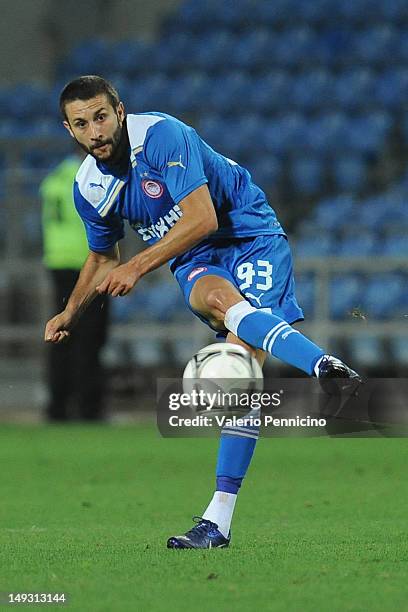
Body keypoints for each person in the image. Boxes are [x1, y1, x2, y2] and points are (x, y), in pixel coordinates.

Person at [44, 75, 360, 548]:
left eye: (102, 116)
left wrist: (139, 265)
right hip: (193, 257)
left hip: (248, 235)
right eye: (82, 123)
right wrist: (71, 311)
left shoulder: (162, 136)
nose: (96, 132)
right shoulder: (88, 188)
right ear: (70, 130)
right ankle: (323, 366)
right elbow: (101, 257)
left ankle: (218, 521)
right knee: (219, 310)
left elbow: (202, 218)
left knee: (240, 366)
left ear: (120, 111)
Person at [41, 153, 110, 421]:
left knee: (60, 337)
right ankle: (88, 409)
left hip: (57, 260)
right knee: (90, 338)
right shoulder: (87, 178)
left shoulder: (53, 178)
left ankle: (57, 407)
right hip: (87, 264)